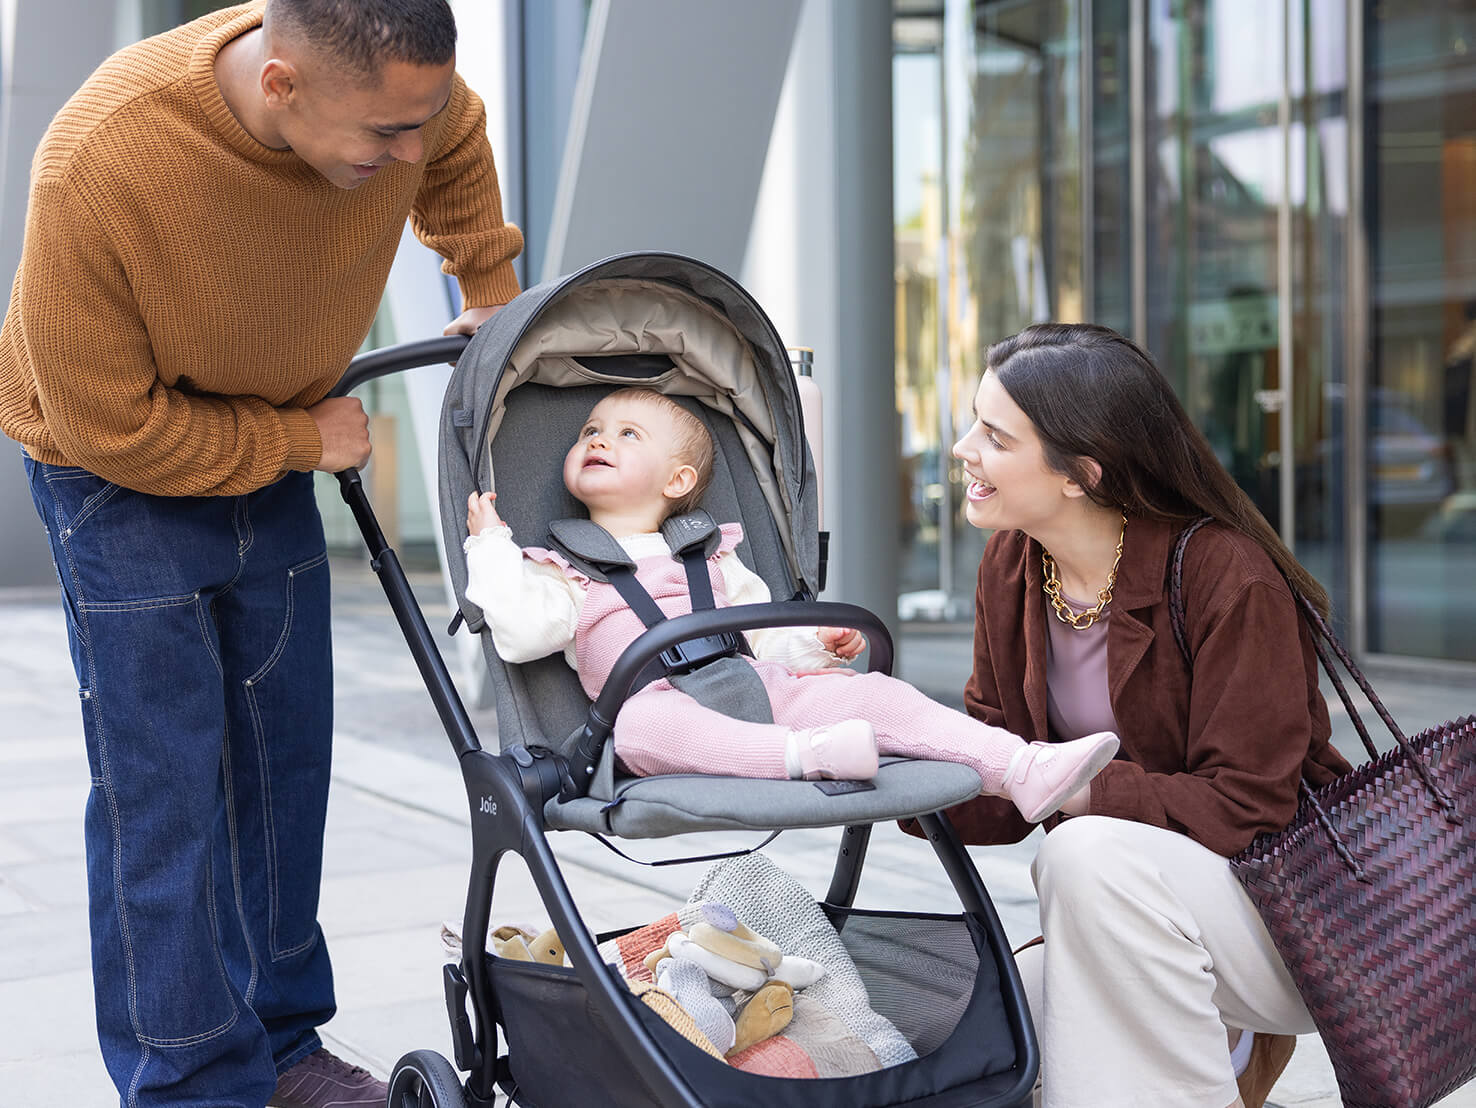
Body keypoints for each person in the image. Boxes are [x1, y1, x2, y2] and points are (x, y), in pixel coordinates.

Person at [2, 2, 523, 1104]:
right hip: (117, 476)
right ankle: (190, 1083)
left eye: (419, 123)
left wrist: (490, 289)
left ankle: (283, 1051)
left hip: (278, 442)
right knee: (167, 794)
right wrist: (300, 439)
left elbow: (459, 138)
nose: (410, 155)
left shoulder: (402, 101)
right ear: (282, 85)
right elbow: (108, 426)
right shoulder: (102, 161)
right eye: (385, 137)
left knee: (282, 775)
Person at [937, 323, 1352, 1108]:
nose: (963, 449)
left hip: (1287, 924)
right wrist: (872, 732)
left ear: (1081, 474)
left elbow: (1250, 806)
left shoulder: (1226, 574)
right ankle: (1203, 1063)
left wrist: (1074, 788)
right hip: (1129, 923)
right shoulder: (1015, 565)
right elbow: (995, 790)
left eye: (994, 436)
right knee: (981, 1034)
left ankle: (1227, 1040)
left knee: (1086, 852)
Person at [463, 386, 1119, 821]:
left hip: (751, 683)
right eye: (591, 429)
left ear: (679, 480)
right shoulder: (562, 567)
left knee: (878, 697)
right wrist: (492, 544)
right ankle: (811, 756)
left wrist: (813, 645)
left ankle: (1021, 766)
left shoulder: (709, 552)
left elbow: (762, 634)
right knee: (638, 729)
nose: (600, 438)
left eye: (628, 433)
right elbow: (519, 632)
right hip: (651, 707)